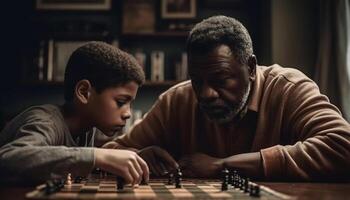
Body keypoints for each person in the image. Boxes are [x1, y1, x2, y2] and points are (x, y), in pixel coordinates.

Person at [104, 16, 350, 181]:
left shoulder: (289, 89)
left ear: (251, 68)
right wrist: (138, 156)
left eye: (220, 80)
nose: (205, 93)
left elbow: (342, 146)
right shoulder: (177, 99)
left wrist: (223, 165)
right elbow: (110, 152)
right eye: (197, 81)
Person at [0, 41, 149, 185]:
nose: (128, 113)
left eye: (131, 103)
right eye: (121, 102)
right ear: (84, 92)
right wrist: (98, 156)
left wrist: (135, 159)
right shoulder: (46, 122)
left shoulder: (86, 128)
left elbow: (69, 163)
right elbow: (7, 160)